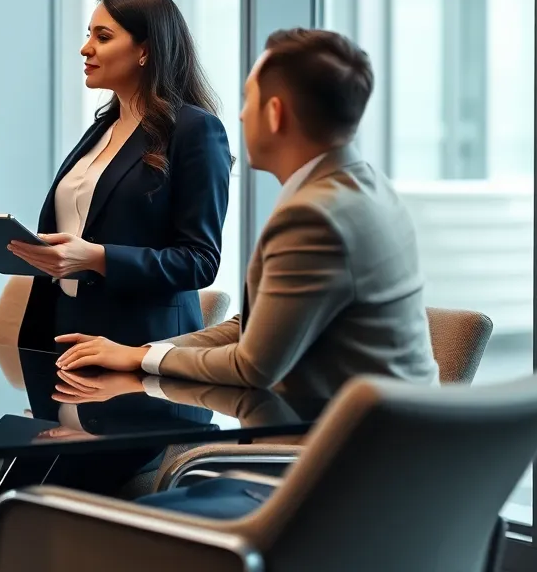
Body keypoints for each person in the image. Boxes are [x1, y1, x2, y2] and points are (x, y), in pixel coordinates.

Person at [53, 28, 439, 399]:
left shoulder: (315, 216)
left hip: (348, 451)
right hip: (386, 434)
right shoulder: (364, 187)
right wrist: (143, 352)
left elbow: (252, 368)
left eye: (247, 100)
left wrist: (141, 355)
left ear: (274, 114)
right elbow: (251, 329)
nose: (239, 117)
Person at [9, 0, 232, 351]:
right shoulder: (102, 128)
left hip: (143, 349)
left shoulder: (196, 130)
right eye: (88, 34)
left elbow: (200, 261)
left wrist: (97, 258)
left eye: (103, 36)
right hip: (62, 335)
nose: (86, 48)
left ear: (145, 49)